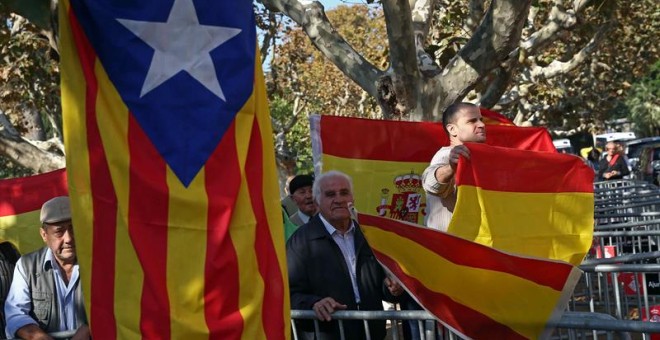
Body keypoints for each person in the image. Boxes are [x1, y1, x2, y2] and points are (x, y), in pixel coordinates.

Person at [287, 171, 403, 340]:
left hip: (371, 332)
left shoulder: (369, 235)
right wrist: (313, 303)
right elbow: (288, 293)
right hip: (326, 333)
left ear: (353, 198)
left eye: (344, 193)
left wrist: (393, 288)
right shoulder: (300, 242)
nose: (339, 199)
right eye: (330, 194)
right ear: (318, 200)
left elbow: (383, 286)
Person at [4, 196, 89, 340]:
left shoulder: (97, 264)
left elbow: (118, 308)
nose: (68, 239)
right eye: (59, 231)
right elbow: (16, 315)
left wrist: (89, 329)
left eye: (73, 228)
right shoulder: (26, 266)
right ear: (44, 235)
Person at [422, 102, 486, 231]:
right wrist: (450, 167)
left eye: (481, 120)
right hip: (448, 245)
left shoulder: (476, 157)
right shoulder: (445, 155)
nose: (481, 125)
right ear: (452, 129)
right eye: (472, 121)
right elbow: (431, 184)